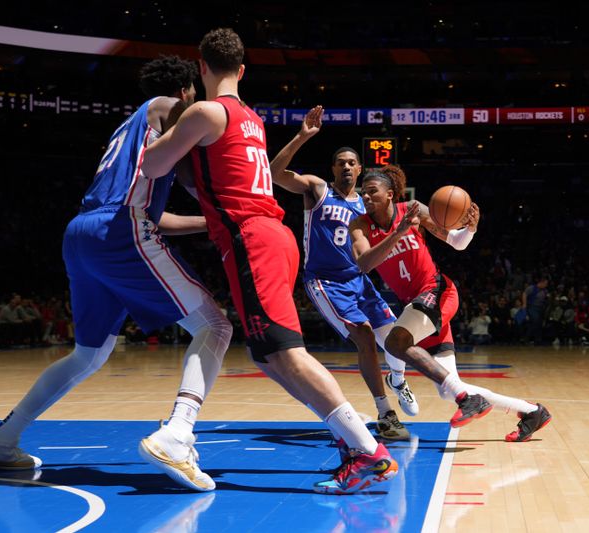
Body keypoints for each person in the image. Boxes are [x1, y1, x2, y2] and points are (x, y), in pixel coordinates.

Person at [140, 29, 397, 494]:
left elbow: (154, 166)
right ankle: (352, 439)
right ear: (242, 70)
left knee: (286, 354)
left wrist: (153, 120)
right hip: (269, 237)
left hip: (252, 241)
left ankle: (368, 452)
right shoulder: (251, 121)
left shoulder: (205, 111)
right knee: (270, 358)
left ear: (202, 67)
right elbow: (205, 182)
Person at [0, 55, 233, 492]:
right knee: (216, 324)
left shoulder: (126, 130)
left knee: (88, 355)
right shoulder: (167, 105)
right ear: (187, 89)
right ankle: (177, 434)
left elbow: (151, 213)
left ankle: (0, 440)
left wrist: (209, 222)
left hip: (87, 233)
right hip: (121, 231)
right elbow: (191, 159)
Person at [348, 165, 551, 442]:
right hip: (417, 306)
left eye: (372, 192)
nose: (366, 197)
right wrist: (398, 233)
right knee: (448, 387)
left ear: (391, 195)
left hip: (437, 291)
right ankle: (531, 412)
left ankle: (422, 387)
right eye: (364, 192)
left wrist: (470, 228)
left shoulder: (414, 209)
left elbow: (457, 242)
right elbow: (364, 264)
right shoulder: (359, 225)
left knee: (396, 342)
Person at [268, 105, 418, 441]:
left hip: (359, 281)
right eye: (341, 162)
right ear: (333, 168)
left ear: (360, 168)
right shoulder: (317, 190)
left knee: (395, 338)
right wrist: (301, 136)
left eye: (352, 162)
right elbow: (274, 173)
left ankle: (398, 377)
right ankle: (385, 414)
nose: (347, 166)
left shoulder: (366, 206)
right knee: (365, 339)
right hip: (326, 282)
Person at [522, 275, 549, 345]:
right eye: (545, 284)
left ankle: (536, 340)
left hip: (541, 308)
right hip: (532, 307)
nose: (546, 285)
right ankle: (528, 339)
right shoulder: (532, 288)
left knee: (538, 324)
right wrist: (524, 304)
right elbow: (524, 294)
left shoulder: (545, 290)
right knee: (535, 321)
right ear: (541, 283)